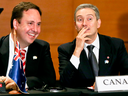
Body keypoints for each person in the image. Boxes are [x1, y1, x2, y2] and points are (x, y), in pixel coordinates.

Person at [58, 3, 128, 88]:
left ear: (98, 23)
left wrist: (103, 85)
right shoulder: (66, 49)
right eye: (80, 20)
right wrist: (77, 50)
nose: (84, 23)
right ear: (75, 25)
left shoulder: (116, 45)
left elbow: (126, 76)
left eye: (89, 19)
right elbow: (65, 82)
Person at [0, 2, 56, 92]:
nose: (35, 29)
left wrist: (21, 82)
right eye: (30, 23)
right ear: (16, 24)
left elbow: (49, 80)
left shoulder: (41, 48)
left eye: (38, 24)